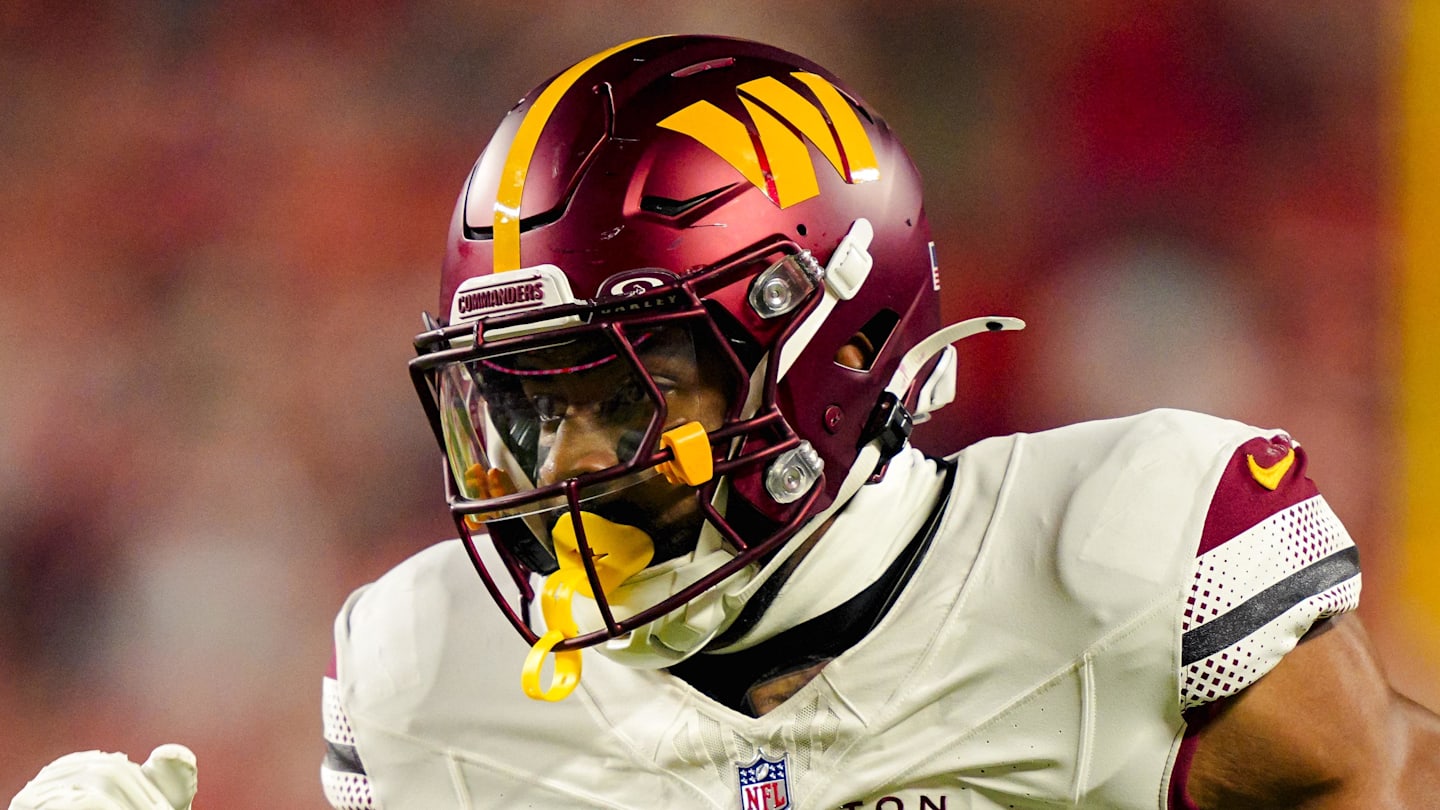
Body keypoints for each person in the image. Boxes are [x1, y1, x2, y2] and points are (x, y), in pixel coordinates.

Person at [11, 34, 1440, 810]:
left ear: (831, 341)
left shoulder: (1123, 551)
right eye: (525, 404)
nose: (564, 465)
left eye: (623, 387)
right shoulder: (424, 678)